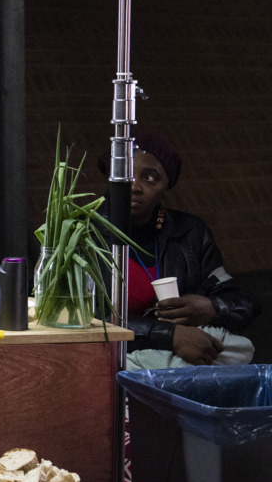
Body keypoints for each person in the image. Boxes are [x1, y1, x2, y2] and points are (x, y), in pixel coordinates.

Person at [99, 133, 259, 368]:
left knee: (240, 348)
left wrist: (212, 308)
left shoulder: (189, 232)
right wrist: (169, 335)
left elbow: (243, 302)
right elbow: (84, 319)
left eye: (150, 178)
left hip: (184, 349)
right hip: (112, 353)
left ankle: (156, 368)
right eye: (125, 173)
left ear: (165, 189)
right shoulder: (82, 232)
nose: (134, 186)